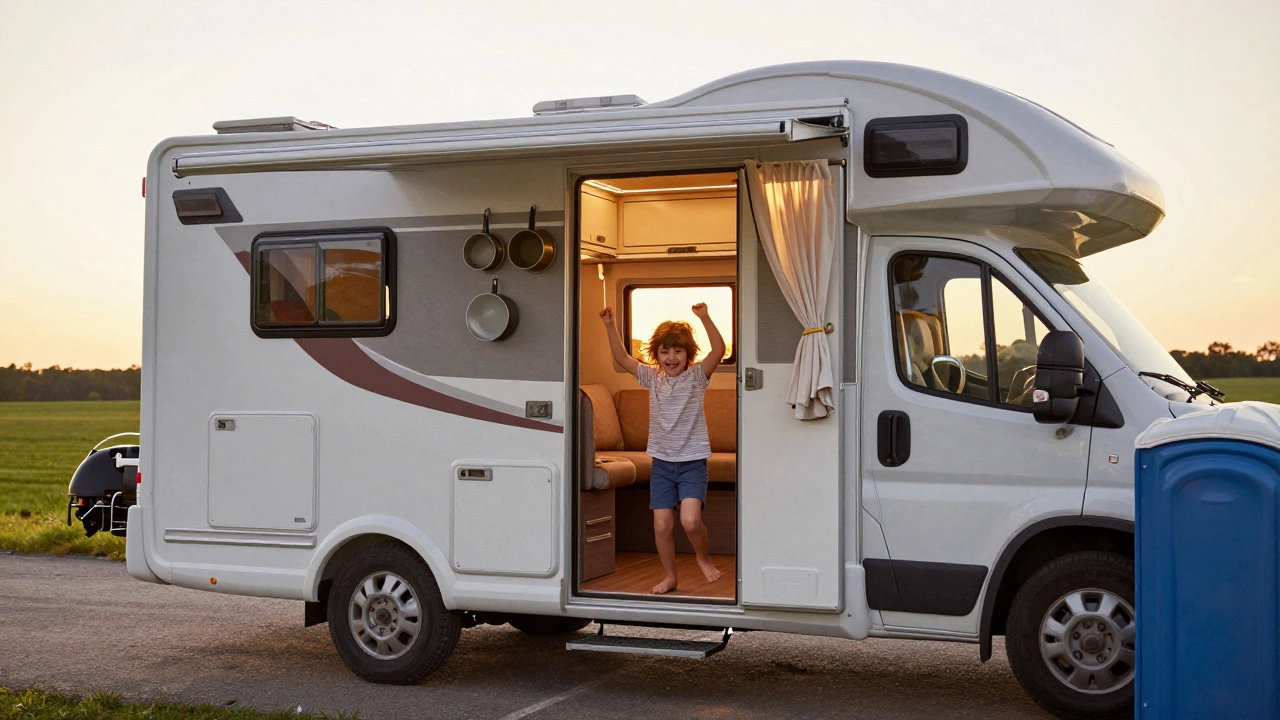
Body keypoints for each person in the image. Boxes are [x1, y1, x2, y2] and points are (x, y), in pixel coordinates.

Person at [599, 303, 726, 594]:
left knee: (691, 520)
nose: (671, 357)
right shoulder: (651, 378)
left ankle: (703, 558)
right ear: (656, 354)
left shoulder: (697, 377)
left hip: (692, 462)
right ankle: (670, 577)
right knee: (661, 526)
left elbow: (718, 350)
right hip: (662, 464)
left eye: (678, 351)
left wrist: (704, 317)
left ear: (688, 354)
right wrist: (609, 325)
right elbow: (621, 358)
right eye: (665, 352)